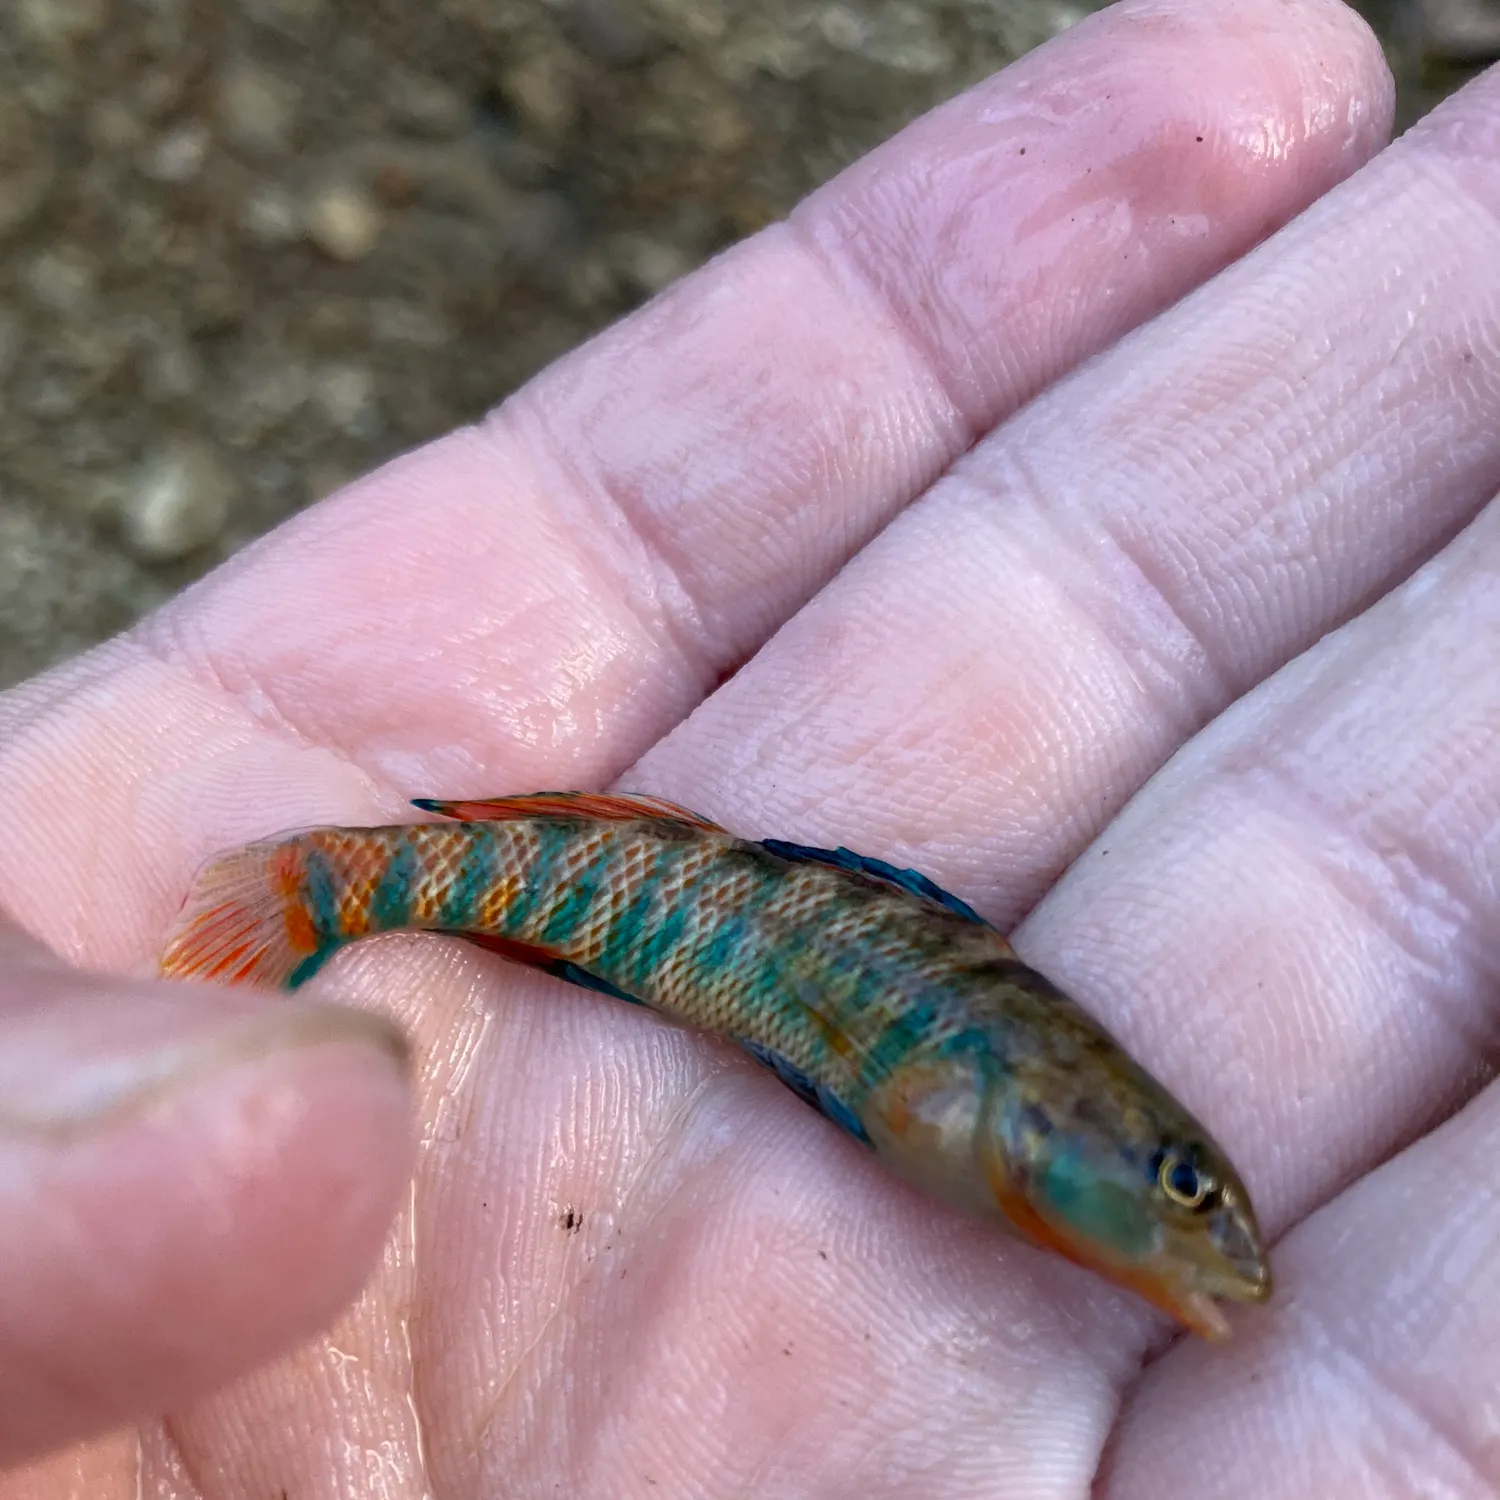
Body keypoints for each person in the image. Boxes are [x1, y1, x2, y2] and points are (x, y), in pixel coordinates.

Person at [0, 0, 1494, 1492]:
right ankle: (322, 893)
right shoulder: (989, 1110)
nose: (1201, 1231)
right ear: (1074, 1124)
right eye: (1178, 1180)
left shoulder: (1002, 1131)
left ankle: (331, 894)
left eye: (1186, 1189)